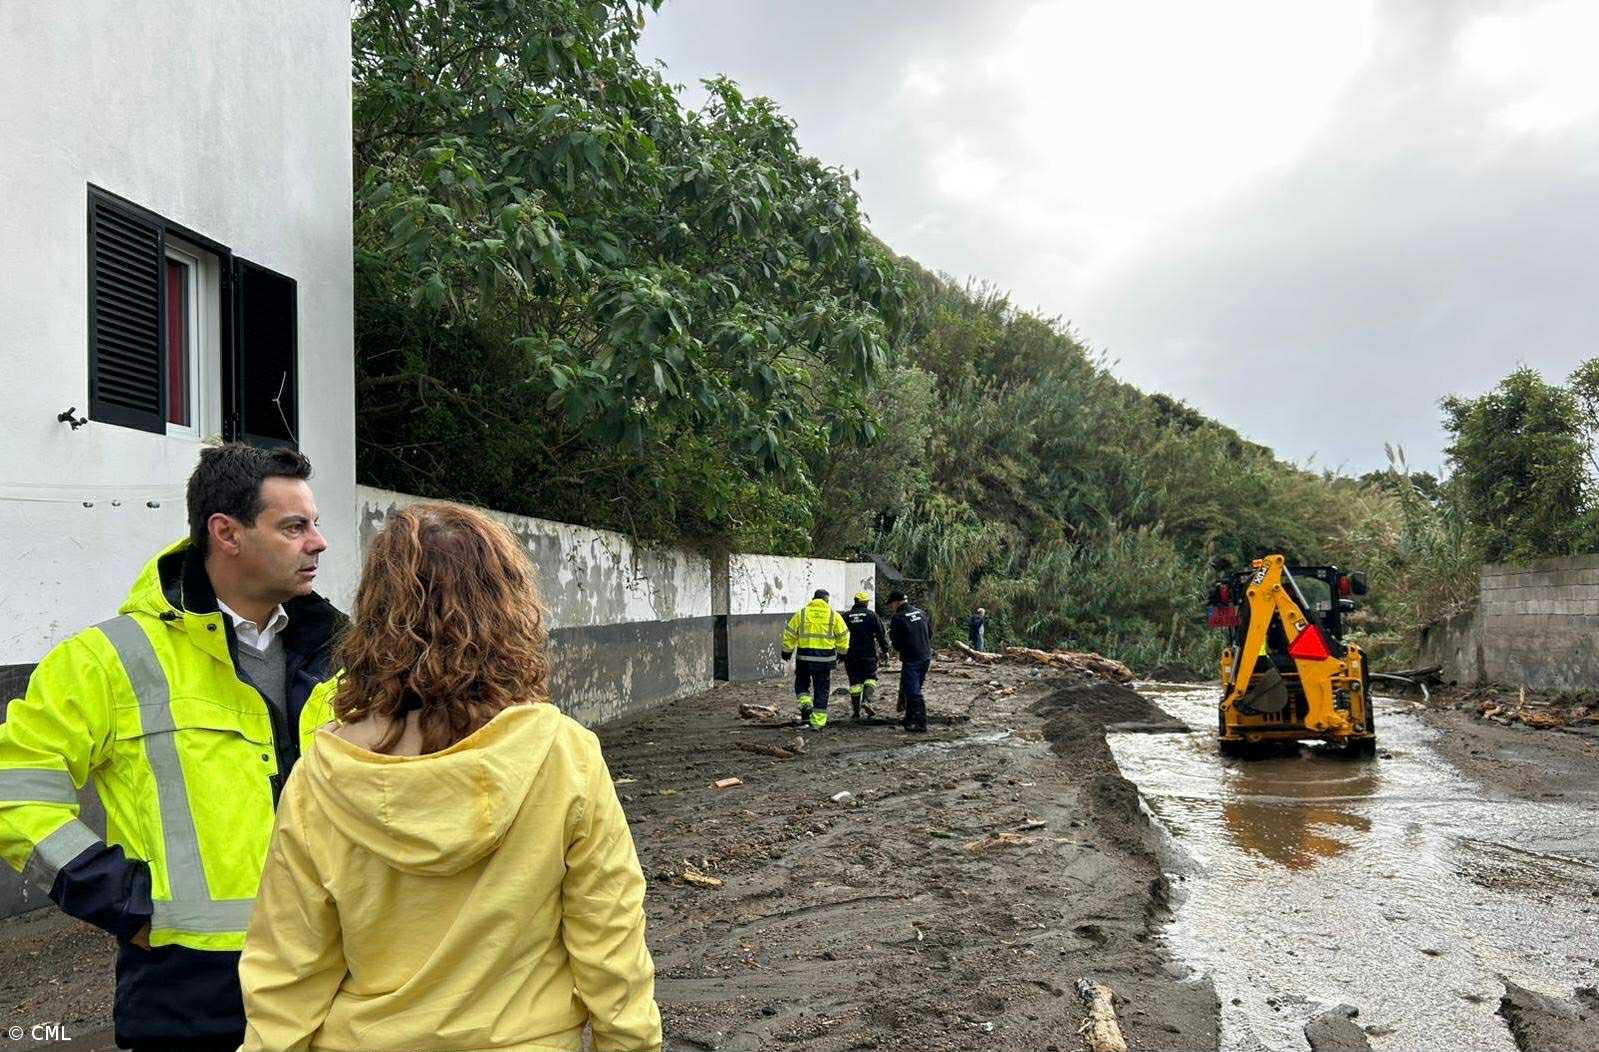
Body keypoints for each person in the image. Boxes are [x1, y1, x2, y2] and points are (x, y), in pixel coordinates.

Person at [239, 502, 661, 1052]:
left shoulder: (324, 772)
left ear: (375, 610)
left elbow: (287, 969)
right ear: (508, 607)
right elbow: (611, 943)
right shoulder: (562, 754)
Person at [0, 443, 342, 1051]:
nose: (317, 543)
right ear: (226, 533)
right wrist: (116, 897)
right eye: (295, 526)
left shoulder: (347, 655)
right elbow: (15, 785)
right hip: (186, 990)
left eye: (314, 525)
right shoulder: (106, 659)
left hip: (330, 973)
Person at [780, 588, 850, 729]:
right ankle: (817, 722)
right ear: (826, 600)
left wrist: (786, 651)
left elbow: (790, 633)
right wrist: (842, 652)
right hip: (825, 660)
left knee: (801, 683)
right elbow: (843, 635)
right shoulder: (833, 615)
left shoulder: (802, 613)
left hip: (804, 658)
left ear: (814, 599)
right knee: (822, 689)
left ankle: (806, 704)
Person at [887, 591, 934, 733]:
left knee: (913, 691)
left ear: (896, 602)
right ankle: (909, 718)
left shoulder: (898, 618)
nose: (891, 608)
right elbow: (930, 633)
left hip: (911, 658)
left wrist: (902, 649)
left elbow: (896, 642)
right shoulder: (921, 613)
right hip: (925, 655)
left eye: (891, 605)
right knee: (911, 688)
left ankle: (920, 722)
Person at [842, 591, 889, 721]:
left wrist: (840, 653)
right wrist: (885, 649)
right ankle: (867, 700)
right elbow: (881, 633)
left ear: (855, 601)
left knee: (855, 683)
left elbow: (838, 634)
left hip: (850, 655)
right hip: (868, 654)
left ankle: (856, 712)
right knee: (871, 678)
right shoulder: (871, 615)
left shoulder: (845, 616)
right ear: (866, 603)